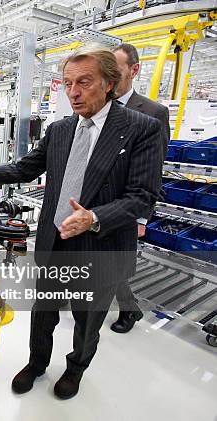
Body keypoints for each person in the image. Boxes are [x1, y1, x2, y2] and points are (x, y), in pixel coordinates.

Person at [0, 46, 163, 400]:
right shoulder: (61, 129)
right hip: (55, 239)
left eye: (84, 82)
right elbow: (26, 167)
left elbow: (142, 196)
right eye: (67, 83)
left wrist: (94, 217)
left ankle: (76, 368)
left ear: (108, 83)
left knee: (88, 317)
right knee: (43, 310)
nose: (74, 92)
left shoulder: (141, 129)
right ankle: (36, 363)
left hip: (101, 243)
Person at [110, 43, 171, 334]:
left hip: (128, 204)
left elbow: (152, 169)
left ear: (134, 70)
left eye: (117, 72)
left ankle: (129, 308)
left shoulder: (153, 113)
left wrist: (141, 217)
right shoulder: (99, 107)